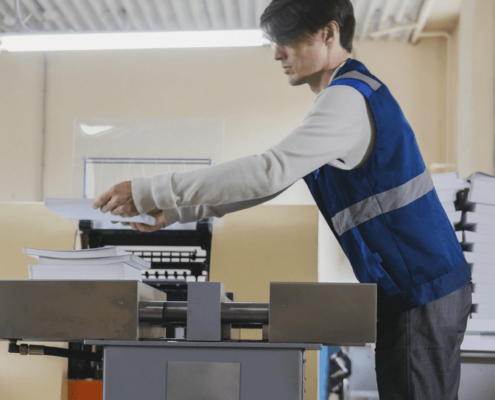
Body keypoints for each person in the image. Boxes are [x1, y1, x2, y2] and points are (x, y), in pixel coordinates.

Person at [93, 0, 472, 398]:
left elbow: (267, 171)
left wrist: (149, 190)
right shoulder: (343, 99)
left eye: (287, 40)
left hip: (422, 289)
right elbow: (270, 184)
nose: (277, 53)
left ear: (328, 33)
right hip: (414, 288)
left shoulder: (348, 100)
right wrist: (173, 212)